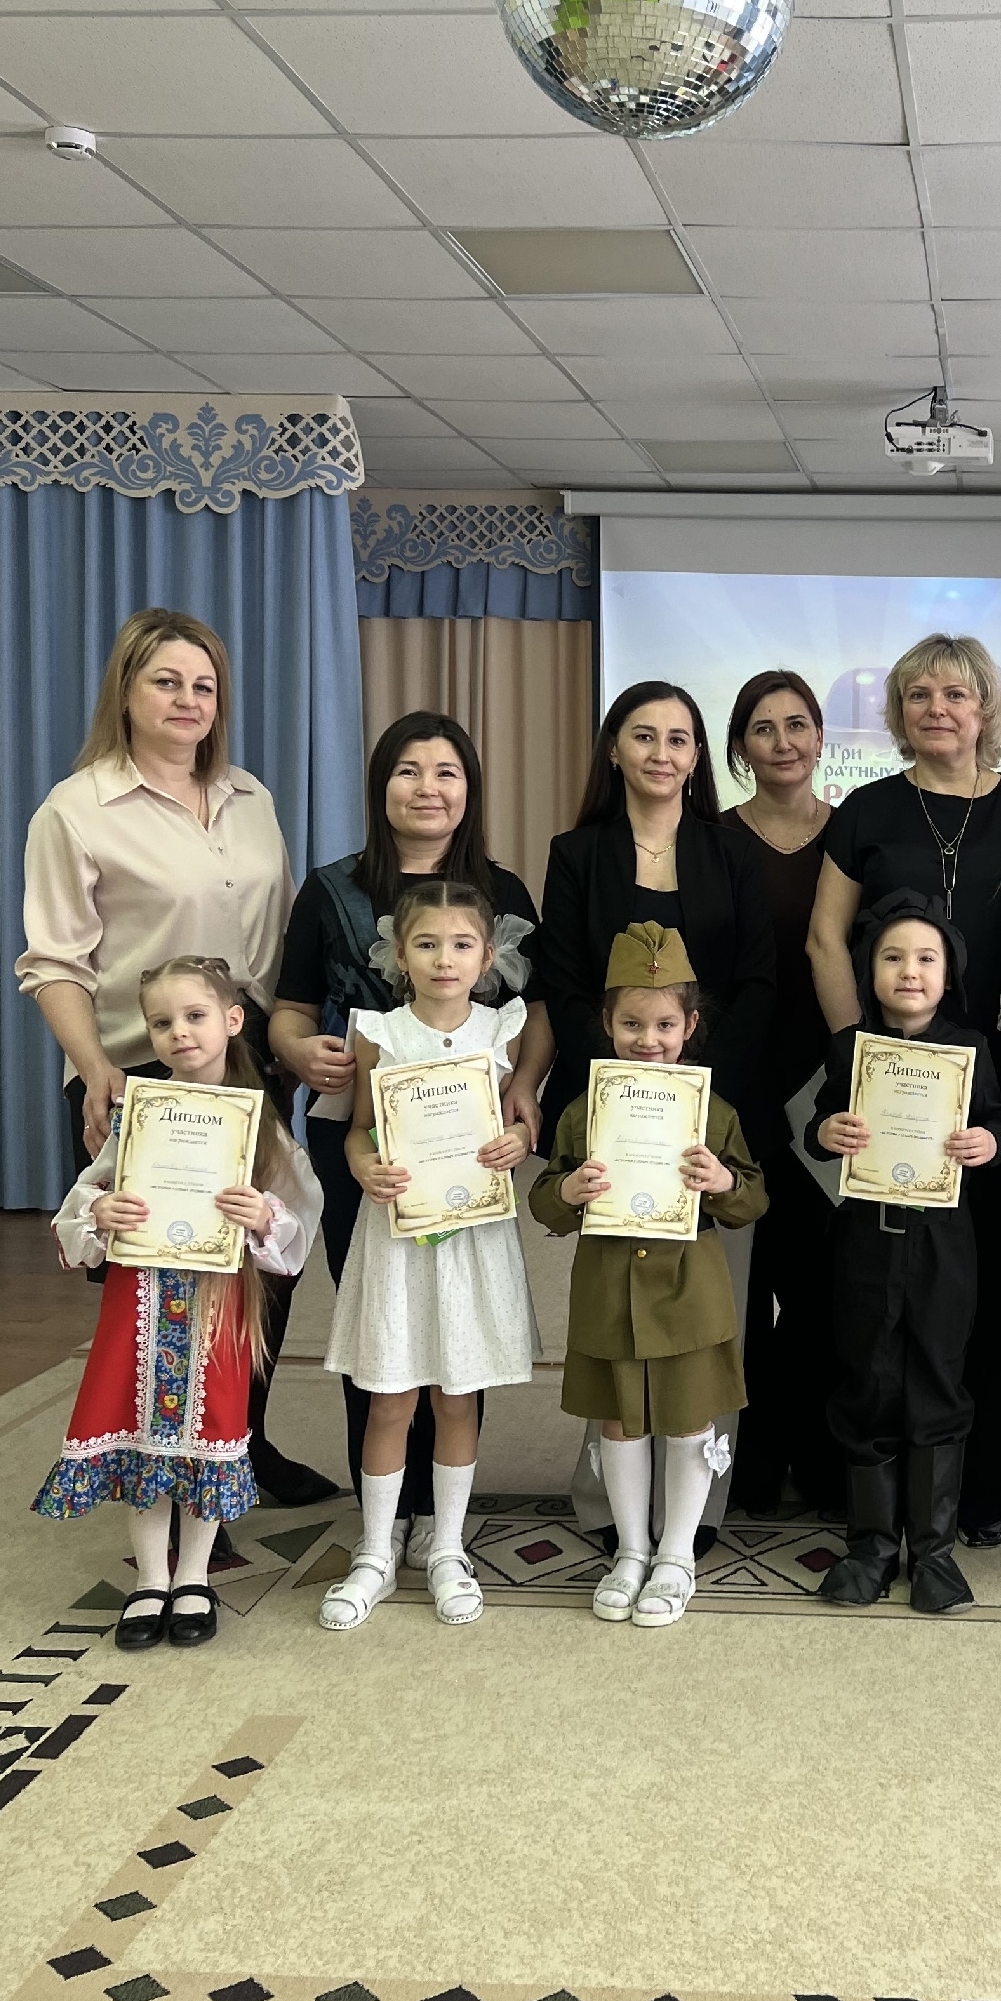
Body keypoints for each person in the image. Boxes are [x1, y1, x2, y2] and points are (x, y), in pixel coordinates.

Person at [17, 606, 333, 1507]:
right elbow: (53, 961)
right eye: (166, 682)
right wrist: (96, 1070)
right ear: (125, 691)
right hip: (141, 1070)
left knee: (261, 1259)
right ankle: (173, 1469)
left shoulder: (250, 796)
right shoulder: (77, 810)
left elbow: (278, 940)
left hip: (250, 1066)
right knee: (167, 1283)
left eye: (204, 685)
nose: (189, 700)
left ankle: (240, 1447)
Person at [270, 711, 551, 1562]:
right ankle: (382, 1517)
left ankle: (440, 1519)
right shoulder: (330, 889)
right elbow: (289, 1007)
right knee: (381, 1321)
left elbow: (535, 1012)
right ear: (380, 785)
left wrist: (525, 1090)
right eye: (408, 770)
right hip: (361, 1139)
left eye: (446, 773)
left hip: (468, 1143)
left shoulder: (503, 891)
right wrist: (299, 1051)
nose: (428, 788)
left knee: (460, 1318)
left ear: (470, 790)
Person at [809, 635, 1001, 1549]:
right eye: (918, 695)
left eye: (956, 694)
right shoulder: (868, 809)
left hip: (999, 1080)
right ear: (898, 712)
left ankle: (979, 1496)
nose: (937, 709)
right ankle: (872, 1497)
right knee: (881, 1290)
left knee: (982, 1284)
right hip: (890, 1082)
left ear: (986, 707)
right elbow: (826, 938)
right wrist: (861, 1057)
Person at [535, 681, 774, 1546]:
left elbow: (757, 981)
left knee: (706, 1317)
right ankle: (611, 1510)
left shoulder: (732, 850)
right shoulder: (576, 853)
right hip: (610, 1112)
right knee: (613, 1312)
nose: (662, 753)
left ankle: (693, 1514)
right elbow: (562, 985)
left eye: (679, 738)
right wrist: (617, 1093)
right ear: (615, 748)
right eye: (644, 735)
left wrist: (692, 1096)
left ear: (697, 756)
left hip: (708, 1111)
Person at [33, 957, 321, 1652]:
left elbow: (299, 1210)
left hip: (217, 1305)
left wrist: (263, 1216)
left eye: (195, 1016)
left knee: (206, 1430)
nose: (180, 1033)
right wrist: (101, 1211)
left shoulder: (257, 1120)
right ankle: (150, 1578)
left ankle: (193, 1575)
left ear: (232, 1020)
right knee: (140, 1432)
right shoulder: (139, 1113)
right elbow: (87, 1195)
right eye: (162, 1023)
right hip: (141, 1301)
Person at [530, 923, 767, 1629]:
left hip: (689, 1292)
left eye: (665, 1024)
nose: (648, 1039)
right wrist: (568, 1191)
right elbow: (544, 1198)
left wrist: (723, 1181)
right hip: (609, 1290)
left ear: (690, 1026)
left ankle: (677, 1554)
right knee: (620, 1422)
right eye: (632, 1023)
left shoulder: (713, 1112)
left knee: (690, 1418)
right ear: (607, 1023)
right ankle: (631, 1550)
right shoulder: (583, 1112)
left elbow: (752, 1199)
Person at [318, 883, 538, 1631]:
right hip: (398, 1236)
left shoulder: (503, 1029)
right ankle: (376, 1551)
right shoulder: (379, 1032)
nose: (445, 959)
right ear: (399, 956)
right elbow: (358, 1129)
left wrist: (520, 1140)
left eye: (462, 945)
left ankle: (446, 1546)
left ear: (488, 956)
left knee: (457, 1394)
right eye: (427, 944)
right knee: (391, 1396)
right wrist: (362, 1165)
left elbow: (515, 1120)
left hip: (472, 1236)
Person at [807, 892, 1001, 1614]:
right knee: (867, 1378)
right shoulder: (849, 1050)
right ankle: (870, 1546)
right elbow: (818, 1127)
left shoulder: (971, 1050)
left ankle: (933, 1551)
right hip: (865, 1246)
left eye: (927, 958)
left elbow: (1000, 1126)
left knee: (938, 1379)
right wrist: (828, 1132)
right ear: (869, 971)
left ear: (948, 972)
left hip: (943, 1251)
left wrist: (987, 1143)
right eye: (892, 957)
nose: (910, 971)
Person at [720, 670, 845, 1520]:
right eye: (764, 729)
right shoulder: (714, 839)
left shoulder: (852, 834)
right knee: (746, 1283)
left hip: (831, 1091)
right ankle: (753, 1462)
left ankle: (822, 1457)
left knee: (820, 1288)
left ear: (821, 737)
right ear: (741, 748)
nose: (784, 742)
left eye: (798, 725)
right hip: (742, 1089)